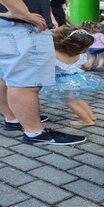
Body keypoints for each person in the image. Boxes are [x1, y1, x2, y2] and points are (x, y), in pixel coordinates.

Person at [0, 0, 86, 145]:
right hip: (23, 26)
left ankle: (14, 119)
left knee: (7, 77)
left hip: (12, 24)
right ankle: (34, 132)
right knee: (26, 83)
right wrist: (22, 13)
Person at [41, 27, 104, 127]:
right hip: (77, 80)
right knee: (77, 99)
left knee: (70, 102)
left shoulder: (54, 54)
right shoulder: (80, 54)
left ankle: (86, 120)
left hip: (63, 82)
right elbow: (87, 66)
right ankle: (91, 116)